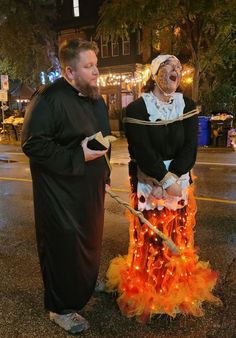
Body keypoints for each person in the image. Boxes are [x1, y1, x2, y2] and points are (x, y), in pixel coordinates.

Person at [106, 55, 220, 323]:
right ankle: (150, 289)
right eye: (169, 67)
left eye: (179, 68)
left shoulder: (188, 106)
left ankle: (173, 286)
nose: (176, 71)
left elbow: (189, 147)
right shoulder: (136, 109)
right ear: (155, 73)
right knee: (152, 237)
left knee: (177, 237)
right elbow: (141, 149)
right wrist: (162, 181)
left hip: (178, 183)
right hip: (149, 182)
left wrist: (176, 179)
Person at [21, 39, 111, 334]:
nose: (97, 71)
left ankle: (85, 280)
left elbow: (102, 140)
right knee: (64, 247)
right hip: (59, 193)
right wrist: (78, 155)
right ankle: (60, 308)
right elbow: (33, 145)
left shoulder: (95, 98)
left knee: (90, 239)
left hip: (90, 189)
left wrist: (105, 176)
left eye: (96, 64)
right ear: (69, 72)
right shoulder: (48, 99)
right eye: (89, 66)